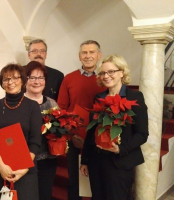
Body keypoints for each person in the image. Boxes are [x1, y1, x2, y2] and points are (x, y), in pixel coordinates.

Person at [80, 55, 149, 200]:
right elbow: (92, 131)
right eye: (103, 73)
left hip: (120, 162)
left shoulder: (135, 97)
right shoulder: (99, 97)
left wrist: (120, 149)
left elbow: (142, 133)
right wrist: (85, 160)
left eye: (111, 71)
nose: (106, 76)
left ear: (122, 72)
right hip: (97, 161)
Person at [0, 64, 42, 200]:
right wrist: (0, 165)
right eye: (6, 79)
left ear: (22, 80)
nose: (11, 82)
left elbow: (35, 141)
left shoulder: (32, 106)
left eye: (15, 78)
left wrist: (24, 168)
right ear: (2, 83)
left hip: (25, 170)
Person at [57, 40, 105, 200]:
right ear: (79, 56)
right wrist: (71, 135)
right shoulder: (69, 78)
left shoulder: (105, 79)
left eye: (92, 52)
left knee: (97, 178)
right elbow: (61, 109)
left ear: (99, 55)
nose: (88, 56)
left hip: (98, 138)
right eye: (84, 53)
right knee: (74, 180)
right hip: (73, 136)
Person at [24, 61, 59, 200]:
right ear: (25, 80)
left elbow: (59, 128)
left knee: (44, 194)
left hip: (47, 158)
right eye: (32, 78)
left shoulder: (52, 103)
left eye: (41, 78)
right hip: (25, 159)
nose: (37, 82)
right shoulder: (19, 102)